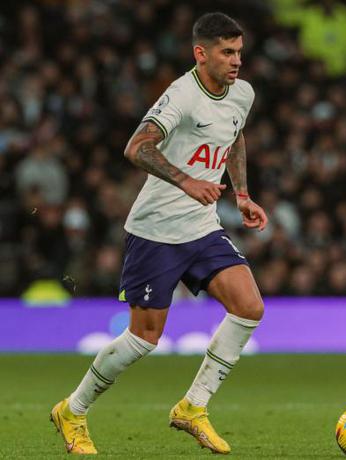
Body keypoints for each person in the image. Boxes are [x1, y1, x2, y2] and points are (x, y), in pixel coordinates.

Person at [49, 12, 268, 455]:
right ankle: (72, 410)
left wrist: (242, 194)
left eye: (239, 52)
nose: (236, 61)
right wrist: (187, 181)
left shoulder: (242, 93)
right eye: (227, 52)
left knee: (249, 307)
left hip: (202, 227)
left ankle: (193, 406)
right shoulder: (182, 95)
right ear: (200, 53)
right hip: (157, 231)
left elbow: (234, 136)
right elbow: (136, 147)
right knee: (143, 339)